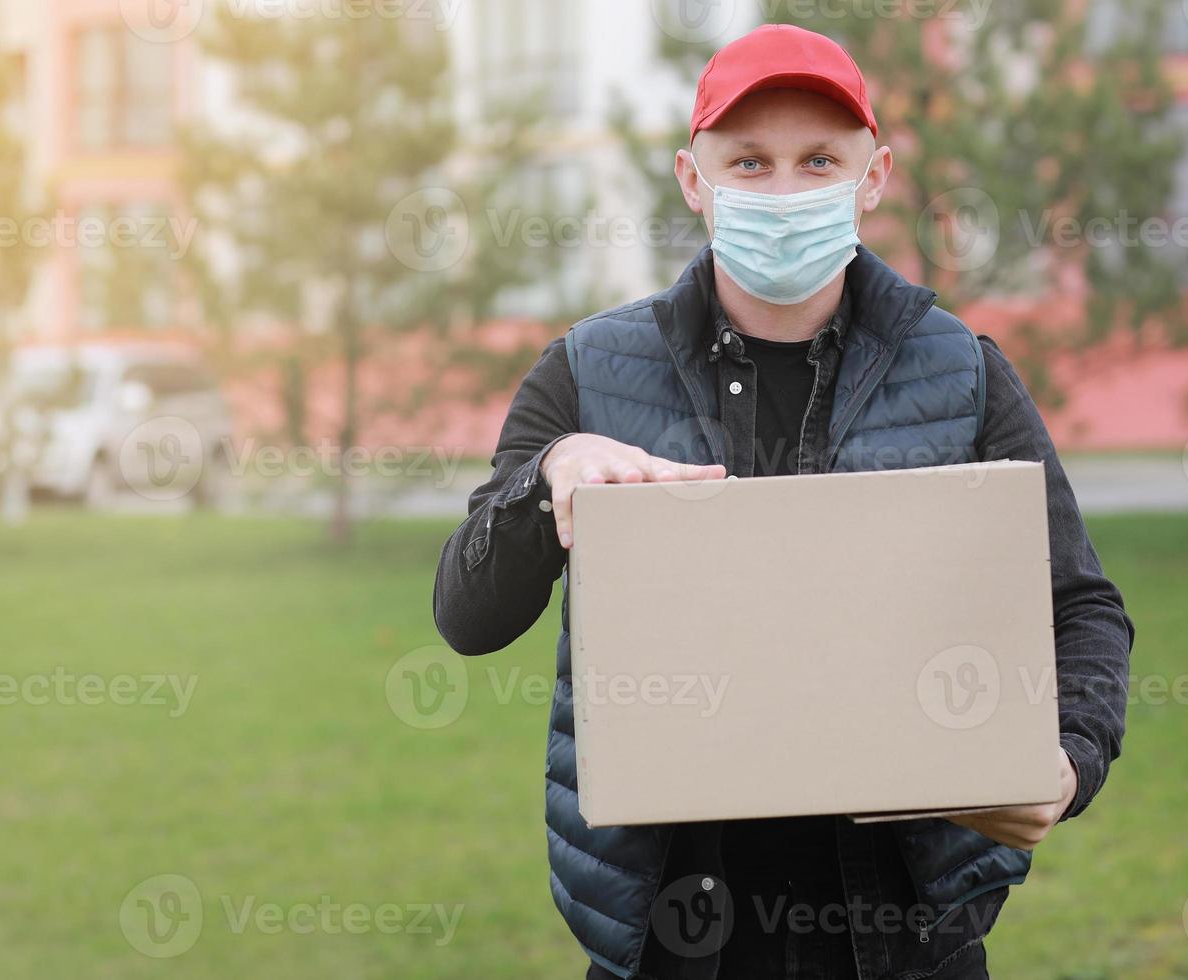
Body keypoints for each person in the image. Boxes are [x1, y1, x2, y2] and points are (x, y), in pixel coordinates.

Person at [432, 24, 1133, 980]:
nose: (785, 192)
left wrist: (1067, 761)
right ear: (693, 179)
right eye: (749, 163)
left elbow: (1081, 605)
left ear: (873, 176)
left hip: (899, 937)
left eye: (819, 161)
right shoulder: (588, 372)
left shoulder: (963, 372)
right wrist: (547, 475)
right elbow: (466, 617)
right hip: (671, 938)